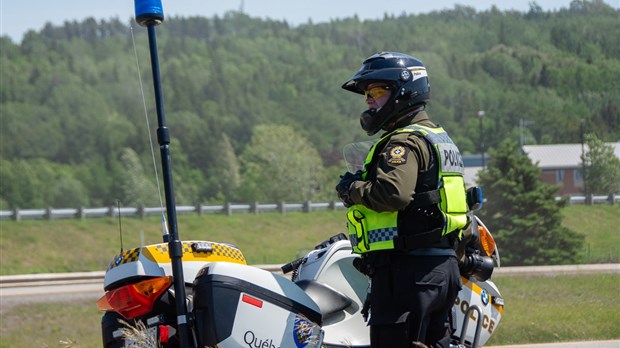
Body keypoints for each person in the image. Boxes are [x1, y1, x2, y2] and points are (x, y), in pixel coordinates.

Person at [336, 52, 469, 348]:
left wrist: (351, 188)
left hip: (409, 272)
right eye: (367, 94)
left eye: (378, 91)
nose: (369, 100)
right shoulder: (438, 138)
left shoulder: (402, 142)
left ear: (404, 92)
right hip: (441, 269)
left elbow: (393, 194)